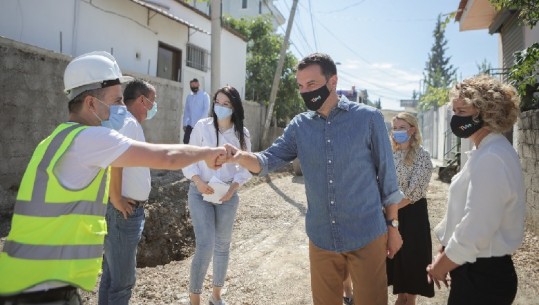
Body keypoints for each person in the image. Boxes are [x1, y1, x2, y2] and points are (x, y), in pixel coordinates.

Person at [0, 51, 225, 305]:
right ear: (91, 103)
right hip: (41, 291)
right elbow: (168, 157)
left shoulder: (53, 140)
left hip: (25, 282)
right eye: (116, 100)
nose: (121, 108)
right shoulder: (90, 139)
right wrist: (208, 152)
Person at [224, 53, 404, 305]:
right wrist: (239, 156)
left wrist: (393, 227)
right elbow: (267, 160)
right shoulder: (300, 126)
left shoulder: (369, 119)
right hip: (322, 238)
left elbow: (388, 178)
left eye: (311, 84)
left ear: (333, 82)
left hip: (367, 235)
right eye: (300, 86)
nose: (305, 91)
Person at [427, 75, 525, 305]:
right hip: (475, 271)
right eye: (454, 111)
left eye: (462, 111)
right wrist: (445, 251)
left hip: (483, 277)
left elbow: (478, 225)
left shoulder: (492, 157)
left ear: (485, 113)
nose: (455, 118)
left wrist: (443, 265)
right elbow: (464, 212)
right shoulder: (485, 152)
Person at [182, 86, 252, 305]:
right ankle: (195, 298)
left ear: (234, 108)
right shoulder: (202, 127)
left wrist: (233, 189)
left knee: (222, 245)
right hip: (200, 191)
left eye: (226, 104)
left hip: (226, 195)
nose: (220, 107)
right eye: (217, 102)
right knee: (205, 244)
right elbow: (188, 157)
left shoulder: (242, 133)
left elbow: (246, 167)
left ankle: (216, 296)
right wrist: (198, 182)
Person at [98, 79, 158, 305]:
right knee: (121, 284)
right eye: (153, 102)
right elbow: (116, 158)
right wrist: (116, 198)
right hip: (124, 211)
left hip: (123, 211)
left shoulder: (126, 122)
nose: (154, 107)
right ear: (142, 100)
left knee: (112, 277)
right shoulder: (129, 122)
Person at [386, 112, 434, 305]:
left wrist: (391, 211)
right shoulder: (391, 154)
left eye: (402, 128)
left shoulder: (423, 156)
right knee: (397, 262)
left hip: (413, 215)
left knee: (412, 260)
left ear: (412, 130)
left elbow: (414, 193)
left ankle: (410, 299)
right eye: (395, 128)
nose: (397, 132)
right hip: (392, 212)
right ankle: (401, 298)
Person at [183, 78, 210, 144]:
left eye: (194, 85)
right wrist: (184, 123)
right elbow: (186, 111)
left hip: (199, 126)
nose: (193, 87)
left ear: (198, 84)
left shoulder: (204, 95)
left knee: (197, 144)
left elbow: (206, 110)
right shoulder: (189, 96)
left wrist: (200, 124)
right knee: (186, 142)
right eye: (191, 85)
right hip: (190, 125)